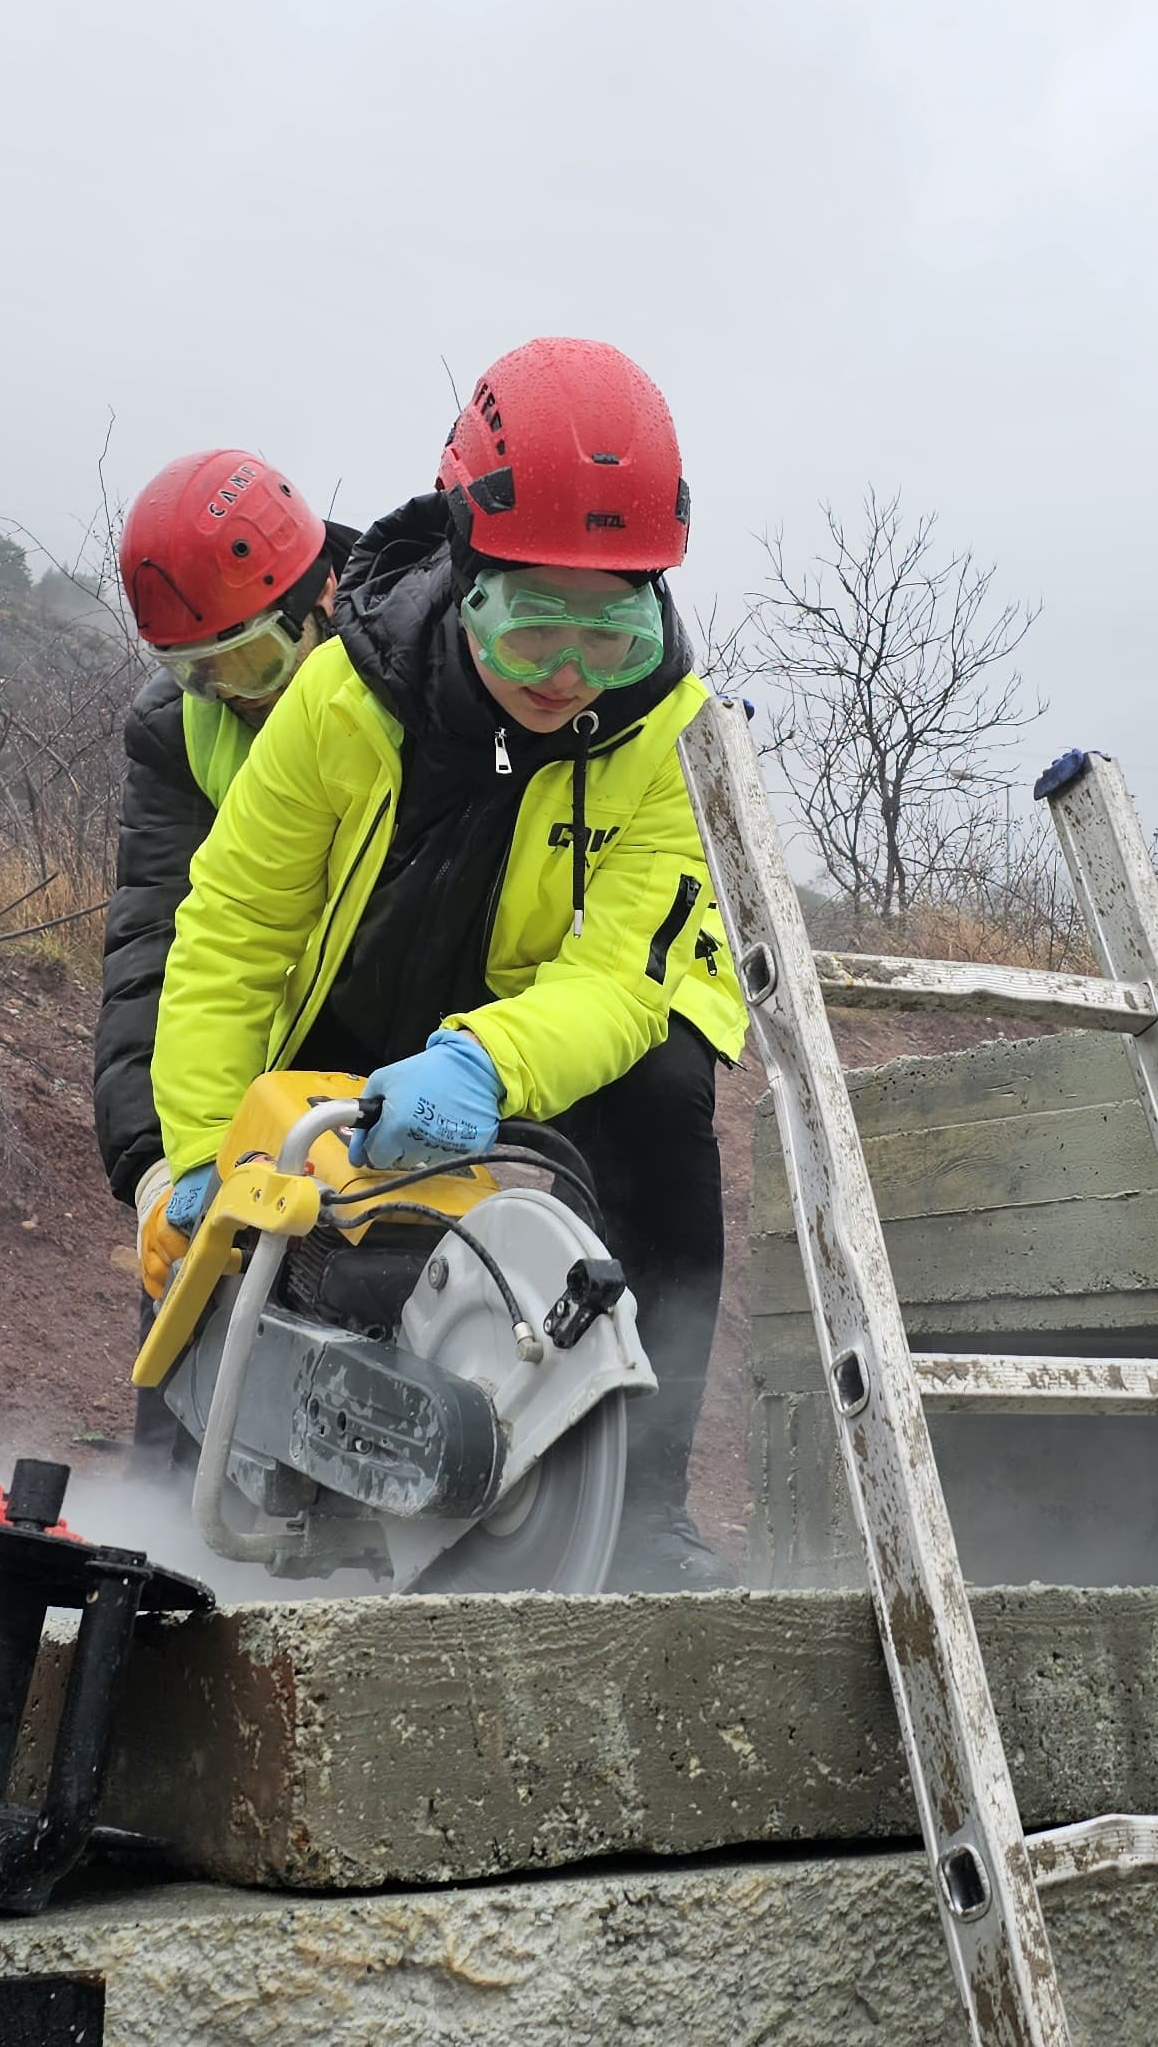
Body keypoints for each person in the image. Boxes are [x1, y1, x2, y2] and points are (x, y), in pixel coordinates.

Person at [142, 337, 748, 1589]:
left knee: (668, 1099)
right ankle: (193, 1490)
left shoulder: (680, 741)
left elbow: (630, 976)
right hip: (368, 1005)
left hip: (554, 1029)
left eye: (612, 631)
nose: (570, 672)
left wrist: (487, 1056)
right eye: (533, 627)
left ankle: (643, 1519)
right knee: (232, 1250)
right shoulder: (341, 696)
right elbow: (233, 924)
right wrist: (200, 1150)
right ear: (468, 575)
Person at [91, 447, 357, 1215]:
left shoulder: (411, 670)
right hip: (265, 1029)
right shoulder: (177, 733)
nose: (235, 697)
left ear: (326, 595)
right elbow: (154, 939)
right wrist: (155, 1161)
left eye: (254, 662)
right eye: (201, 673)